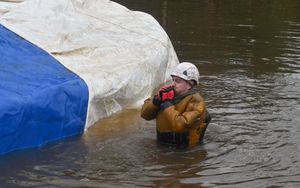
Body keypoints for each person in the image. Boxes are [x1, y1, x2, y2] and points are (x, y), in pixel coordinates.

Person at [141, 62, 211, 147]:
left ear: (189, 84)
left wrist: (167, 104)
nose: (173, 84)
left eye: (177, 81)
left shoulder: (196, 101)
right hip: (162, 143)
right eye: (173, 80)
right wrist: (156, 101)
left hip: (184, 149)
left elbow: (180, 125)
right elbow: (145, 115)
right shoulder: (168, 94)